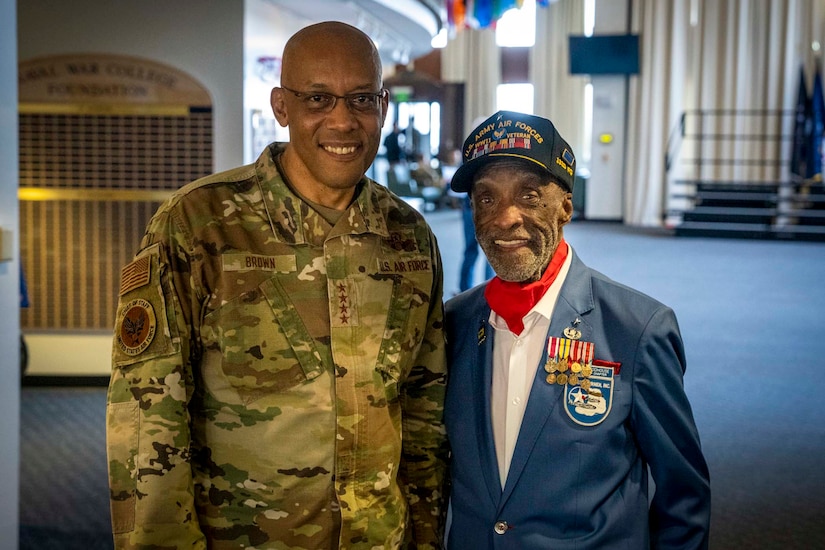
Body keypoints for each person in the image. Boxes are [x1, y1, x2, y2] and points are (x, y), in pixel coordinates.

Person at [106, 21, 448, 550]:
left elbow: (424, 415)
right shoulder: (199, 225)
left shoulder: (409, 238)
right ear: (281, 106)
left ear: (382, 107)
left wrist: (425, 538)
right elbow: (146, 418)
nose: (342, 120)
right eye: (318, 98)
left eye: (360, 99)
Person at [444, 111, 711, 549]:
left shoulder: (637, 330)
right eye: (487, 199)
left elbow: (684, 496)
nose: (505, 218)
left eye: (529, 196)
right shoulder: (452, 324)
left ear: (566, 205)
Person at [458, 193, 493, 292]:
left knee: (471, 251)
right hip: (487, 208)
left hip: (470, 206)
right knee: (492, 251)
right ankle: (490, 290)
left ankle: (464, 290)